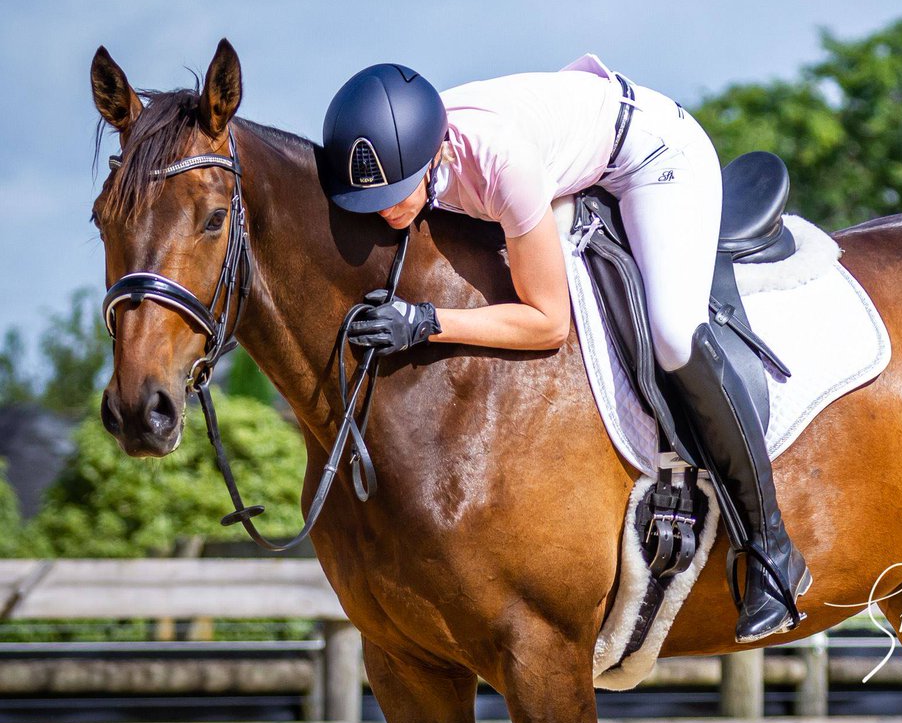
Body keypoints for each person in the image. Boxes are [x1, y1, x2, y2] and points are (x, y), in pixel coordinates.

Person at [321, 57, 811, 642]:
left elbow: (548, 323)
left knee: (675, 333)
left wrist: (427, 321)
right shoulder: (409, 146)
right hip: (571, 146)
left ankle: (773, 551)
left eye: (398, 194)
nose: (385, 211)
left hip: (653, 156)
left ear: (435, 156)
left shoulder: (501, 166)